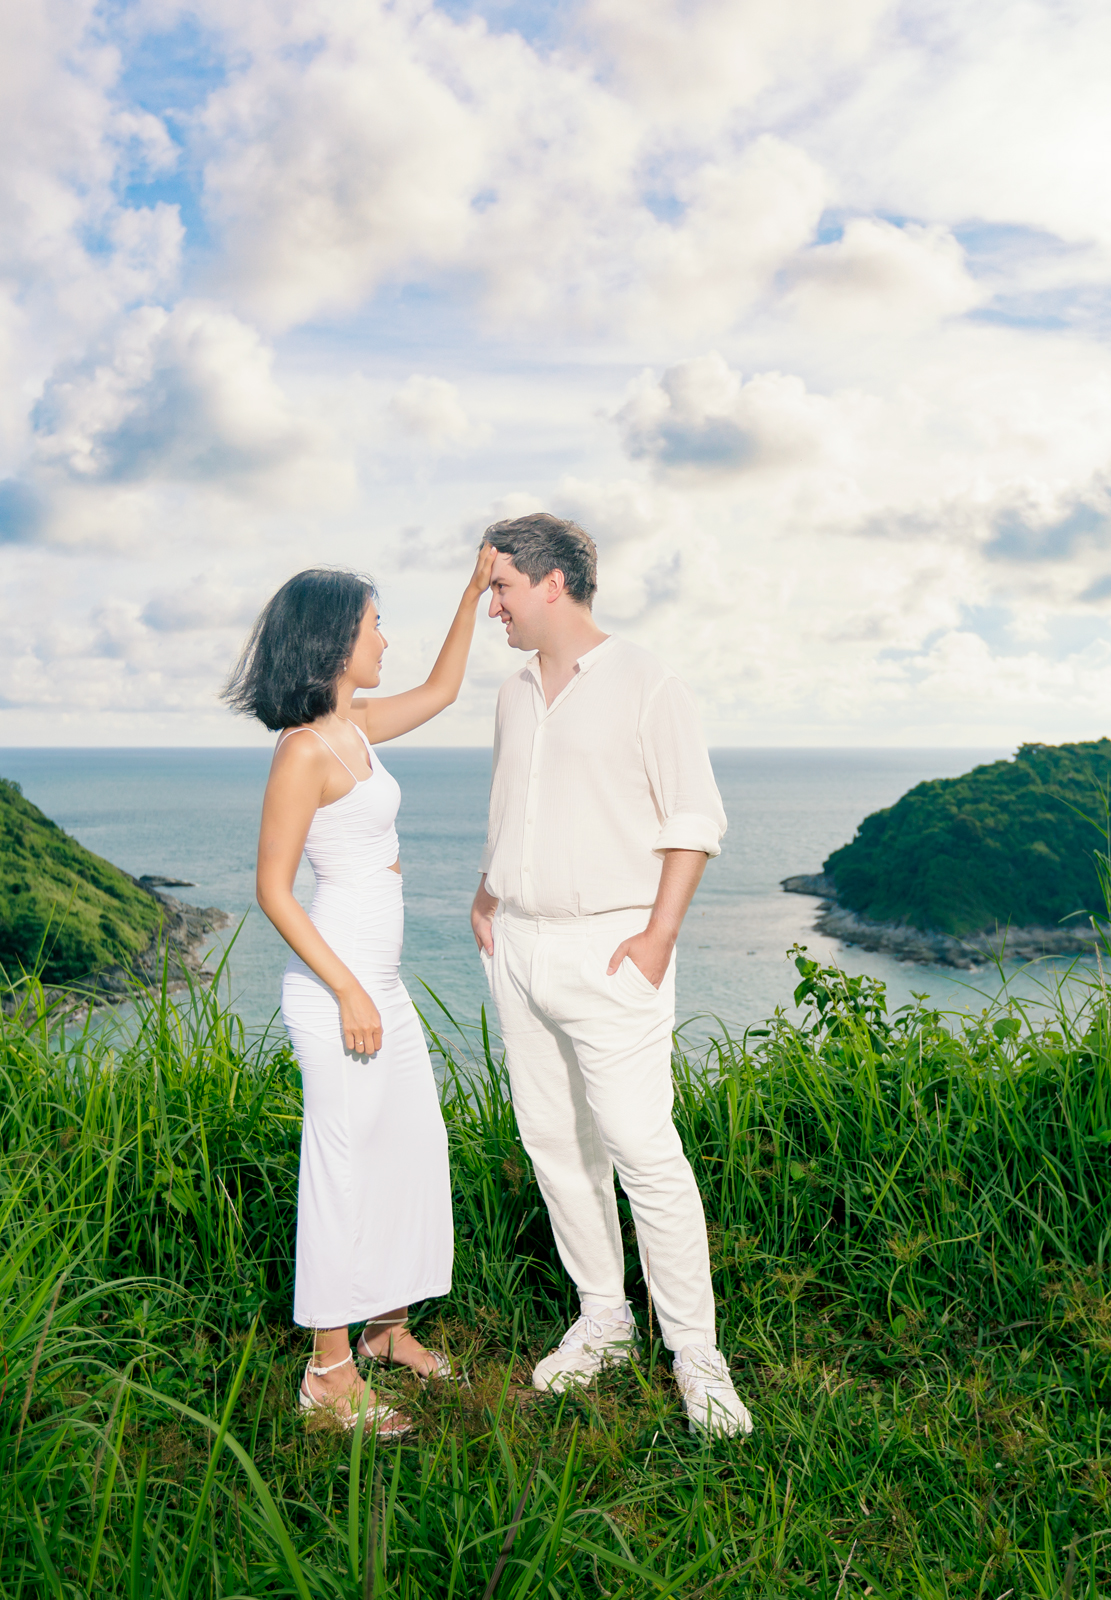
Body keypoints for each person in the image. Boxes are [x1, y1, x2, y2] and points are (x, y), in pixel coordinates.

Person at [469, 512, 754, 1437]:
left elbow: (694, 818)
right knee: (555, 1143)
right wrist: (487, 892)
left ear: (553, 583)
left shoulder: (647, 683)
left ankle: (698, 1359)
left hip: (613, 949)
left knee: (642, 1151)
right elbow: (518, 804)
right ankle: (604, 1321)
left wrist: (661, 935)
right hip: (518, 944)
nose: (492, 606)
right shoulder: (513, 693)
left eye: (500, 586)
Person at [225, 545, 497, 1436]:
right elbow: (272, 887)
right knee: (342, 1168)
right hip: (336, 987)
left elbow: (446, 689)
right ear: (337, 638)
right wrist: (344, 989)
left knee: (410, 1146)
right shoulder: (304, 750)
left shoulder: (357, 728)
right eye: (376, 624)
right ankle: (327, 1374)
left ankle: (387, 1332)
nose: (386, 637)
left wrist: (470, 593)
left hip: (378, 983)